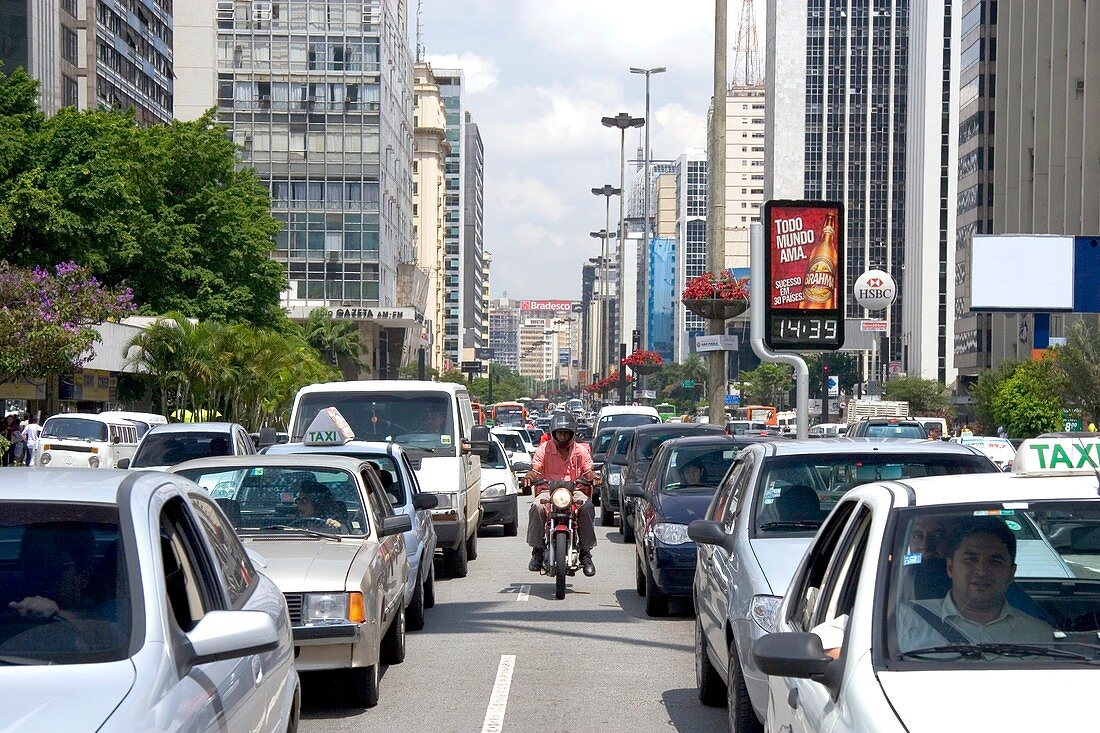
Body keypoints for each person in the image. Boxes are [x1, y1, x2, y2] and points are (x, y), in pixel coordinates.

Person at [895, 517, 1054, 652]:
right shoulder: (900, 616)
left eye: (937, 535)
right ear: (951, 567)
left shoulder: (1039, 633)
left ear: (1010, 573)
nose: (982, 570)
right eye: (970, 559)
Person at [525, 412, 599, 576]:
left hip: (575, 490)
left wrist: (593, 477)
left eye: (566, 433)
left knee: (587, 507)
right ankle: (537, 550)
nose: (563, 436)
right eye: (560, 433)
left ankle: (585, 553)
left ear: (572, 434)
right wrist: (530, 476)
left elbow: (588, 470)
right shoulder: (544, 448)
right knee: (536, 507)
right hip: (548, 490)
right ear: (554, 433)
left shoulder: (580, 450)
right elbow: (536, 468)